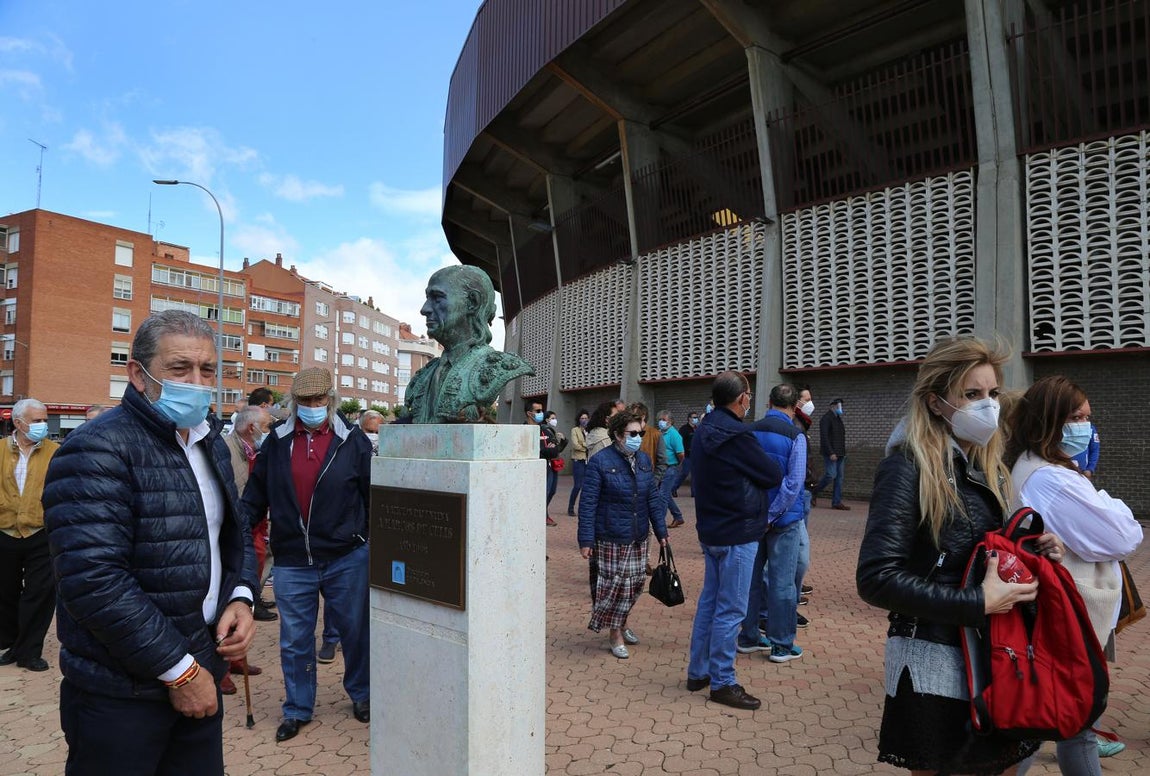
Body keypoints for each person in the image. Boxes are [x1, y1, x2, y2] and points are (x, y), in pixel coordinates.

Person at [44, 310, 258, 775]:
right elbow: (93, 580)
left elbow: (233, 531)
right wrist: (179, 670)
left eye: (207, 369)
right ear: (138, 375)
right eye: (180, 368)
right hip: (122, 692)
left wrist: (241, 596)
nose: (197, 382)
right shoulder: (97, 447)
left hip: (201, 669)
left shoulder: (209, 442)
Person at [856, 336, 1063, 775]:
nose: (988, 405)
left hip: (995, 653)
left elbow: (983, 552)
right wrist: (976, 602)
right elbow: (876, 577)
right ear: (936, 403)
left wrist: (1033, 550)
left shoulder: (989, 466)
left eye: (992, 393)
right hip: (935, 662)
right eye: (971, 394)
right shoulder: (907, 467)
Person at [1006, 376, 1142, 775]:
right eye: (1076, 418)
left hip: (1062, 614)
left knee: (1069, 723)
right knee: (1058, 720)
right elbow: (1122, 537)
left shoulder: (1038, 466)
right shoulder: (1052, 478)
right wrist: (1109, 501)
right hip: (1068, 616)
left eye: (1087, 417)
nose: (1086, 427)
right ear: (1048, 420)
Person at [239, 367, 373, 742]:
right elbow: (255, 495)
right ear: (294, 402)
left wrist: (364, 536)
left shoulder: (353, 440)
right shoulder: (277, 442)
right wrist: (236, 529)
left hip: (346, 556)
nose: (313, 406)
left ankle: (362, 695)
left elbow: (372, 495)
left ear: (330, 400)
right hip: (293, 560)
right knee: (295, 640)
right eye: (305, 400)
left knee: (355, 633)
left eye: (319, 399)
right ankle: (298, 708)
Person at [686, 371, 782, 710]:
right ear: (741, 398)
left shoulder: (704, 429)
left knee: (710, 603)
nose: (750, 400)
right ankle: (723, 682)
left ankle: (699, 672)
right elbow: (771, 474)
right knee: (731, 609)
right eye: (748, 395)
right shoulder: (737, 435)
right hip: (737, 531)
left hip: (712, 529)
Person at [577, 410, 669, 658]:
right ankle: (615, 632)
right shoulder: (600, 462)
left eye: (641, 433)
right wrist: (585, 539)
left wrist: (661, 530)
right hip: (611, 535)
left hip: (638, 534)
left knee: (635, 585)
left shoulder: (643, 460)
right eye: (633, 433)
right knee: (614, 586)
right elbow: (588, 503)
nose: (638, 438)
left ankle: (623, 621)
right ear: (618, 434)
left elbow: (652, 497)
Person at [406, 265, 533, 423]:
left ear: (473, 303)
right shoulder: (423, 376)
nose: (424, 309)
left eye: (437, 298)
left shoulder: (499, 366)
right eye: (427, 298)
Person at [736, 384, 807, 662]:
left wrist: (758, 513)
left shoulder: (750, 431)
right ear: (795, 407)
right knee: (782, 583)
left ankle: (749, 636)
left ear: (768, 402)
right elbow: (794, 483)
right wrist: (773, 515)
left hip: (752, 517)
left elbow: (741, 476)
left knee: (751, 580)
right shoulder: (796, 436)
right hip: (784, 520)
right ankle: (781, 644)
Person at [0, 398, 59, 672]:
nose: (43, 425)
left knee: (39, 594)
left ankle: (30, 651)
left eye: (44, 420)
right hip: (5, 530)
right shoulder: (0, 450)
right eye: (37, 421)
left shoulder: (55, 452)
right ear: (18, 422)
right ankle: (12, 643)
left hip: (41, 531)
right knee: (6, 593)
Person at [219, 406, 273, 695]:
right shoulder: (225, 450)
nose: (269, 430)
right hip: (233, 534)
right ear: (252, 428)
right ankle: (221, 668)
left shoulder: (257, 451)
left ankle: (237, 658)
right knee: (226, 599)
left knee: (245, 596)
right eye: (266, 425)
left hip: (254, 532)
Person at [525, 401, 566, 526]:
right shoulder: (523, 430)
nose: (541, 414)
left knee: (550, 491)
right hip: (532, 470)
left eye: (542, 411)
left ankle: (543, 514)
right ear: (529, 413)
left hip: (549, 468)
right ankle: (536, 517)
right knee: (537, 494)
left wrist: (547, 449)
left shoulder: (545, 430)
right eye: (538, 411)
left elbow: (555, 450)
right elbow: (531, 451)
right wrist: (546, 450)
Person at [811, 398, 849, 510]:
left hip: (840, 453)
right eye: (838, 406)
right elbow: (824, 437)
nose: (840, 408)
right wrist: (831, 452)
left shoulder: (838, 419)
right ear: (832, 406)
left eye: (840, 406)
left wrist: (843, 452)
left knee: (839, 478)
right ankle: (814, 491)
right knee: (831, 475)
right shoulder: (826, 418)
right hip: (830, 453)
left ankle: (836, 502)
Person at [656, 409, 686, 528]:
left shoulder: (674, 434)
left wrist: (677, 464)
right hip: (661, 468)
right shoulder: (660, 433)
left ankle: (660, 522)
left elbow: (681, 453)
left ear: (670, 421)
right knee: (665, 494)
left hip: (670, 467)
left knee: (662, 495)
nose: (661, 422)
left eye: (664, 419)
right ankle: (678, 517)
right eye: (659, 419)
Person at [544, 410, 567, 517]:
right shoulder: (544, 431)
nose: (555, 420)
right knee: (548, 490)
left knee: (552, 490)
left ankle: (544, 512)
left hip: (554, 464)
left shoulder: (551, 431)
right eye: (552, 418)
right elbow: (552, 450)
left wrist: (563, 440)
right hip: (548, 464)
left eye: (555, 418)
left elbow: (557, 450)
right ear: (547, 419)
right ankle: (544, 514)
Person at [567, 408, 590, 516]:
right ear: (578, 419)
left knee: (587, 486)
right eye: (582, 418)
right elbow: (576, 445)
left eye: (586, 418)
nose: (584, 420)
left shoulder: (590, 431)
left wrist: (584, 445)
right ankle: (570, 507)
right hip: (578, 460)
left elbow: (592, 443)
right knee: (577, 485)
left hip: (588, 460)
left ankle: (584, 508)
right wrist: (587, 446)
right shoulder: (575, 430)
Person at [675, 411, 699, 498]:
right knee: (684, 473)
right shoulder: (684, 429)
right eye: (694, 417)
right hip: (687, 455)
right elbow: (679, 441)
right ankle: (674, 488)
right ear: (689, 419)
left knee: (695, 474)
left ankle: (694, 492)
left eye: (696, 417)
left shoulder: (697, 429)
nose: (696, 419)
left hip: (695, 455)